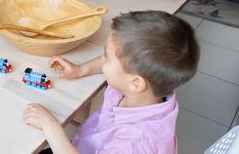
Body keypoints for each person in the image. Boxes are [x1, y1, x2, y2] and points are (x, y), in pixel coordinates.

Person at [23, 10, 199, 154]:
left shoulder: (135, 143)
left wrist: (50, 126)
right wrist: (80, 70)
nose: (102, 58)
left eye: (107, 58)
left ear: (136, 83)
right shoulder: (143, 89)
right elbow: (122, 65)